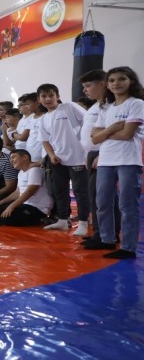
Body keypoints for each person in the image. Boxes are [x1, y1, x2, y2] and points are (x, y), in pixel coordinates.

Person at [88, 67, 144, 259]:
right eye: (112, 80)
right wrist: (111, 129)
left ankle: (128, 247)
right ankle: (107, 239)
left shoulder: (136, 103)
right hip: (106, 160)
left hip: (128, 160)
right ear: (107, 85)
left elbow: (127, 134)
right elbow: (94, 139)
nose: (116, 83)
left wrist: (103, 134)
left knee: (127, 205)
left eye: (121, 79)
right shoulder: (106, 108)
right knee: (102, 202)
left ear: (131, 81)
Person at [36, 83, 89, 233]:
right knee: (59, 190)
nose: (48, 99)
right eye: (44, 96)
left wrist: (89, 149)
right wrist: (52, 155)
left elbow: (89, 121)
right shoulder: (43, 119)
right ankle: (63, 220)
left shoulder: (68, 107)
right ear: (39, 99)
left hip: (78, 158)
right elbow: (44, 140)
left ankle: (84, 222)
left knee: (80, 191)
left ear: (58, 96)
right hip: (58, 159)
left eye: (51, 95)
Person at [79, 69, 120, 243]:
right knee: (96, 196)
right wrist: (86, 154)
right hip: (92, 154)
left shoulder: (111, 106)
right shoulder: (96, 106)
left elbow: (112, 134)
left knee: (103, 198)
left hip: (102, 154)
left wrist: (102, 155)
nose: (85, 90)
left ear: (102, 84)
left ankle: (105, 235)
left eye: (88, 86)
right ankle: (100, 232)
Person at [0, 149, 53, 226]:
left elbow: (30, 191)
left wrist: (11, 206)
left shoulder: (35, 170)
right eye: (10, 159)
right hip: (24, 204)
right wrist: (1, 202)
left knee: (7, 218)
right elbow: (17, 192)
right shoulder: (21, 172)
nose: (11, 161)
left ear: (25, 157)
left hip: (38, 207)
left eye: (13, 157)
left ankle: (41, 218)